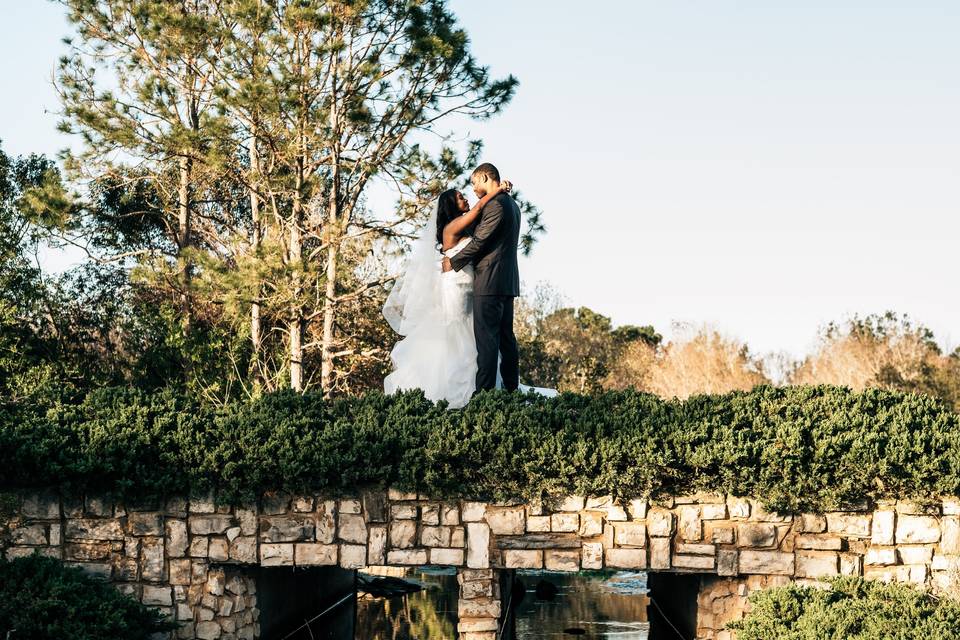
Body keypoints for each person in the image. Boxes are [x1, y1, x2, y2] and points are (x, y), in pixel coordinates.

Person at [442, 163, 521, 393]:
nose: (473, 188)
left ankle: (484, 397)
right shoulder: (512, 204)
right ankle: (510, 391)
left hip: (489, 280)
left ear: (485, 177)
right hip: (506, 281)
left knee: (487, 341)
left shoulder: (497, 204)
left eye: (474, 182)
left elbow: (479, 242)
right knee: (506, 339)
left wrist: (453, 261)